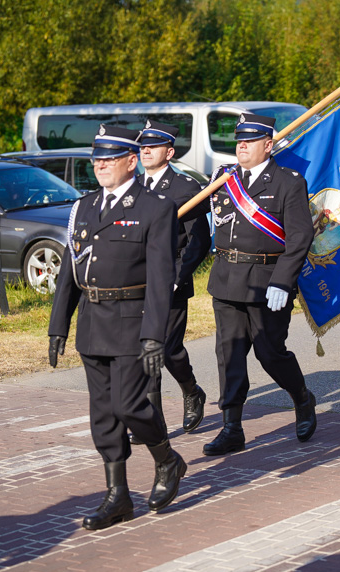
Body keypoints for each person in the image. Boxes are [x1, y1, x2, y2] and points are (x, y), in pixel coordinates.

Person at [48, 125, 186, 529]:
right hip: (93, 323)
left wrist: (154, 335)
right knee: (104, 416)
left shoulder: (154, 208)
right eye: (97, 158)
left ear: (131, 160)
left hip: (132, 323)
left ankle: (167, 459)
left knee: (130, 406)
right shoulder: (84, 207)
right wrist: (58, 326)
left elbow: (162, 278)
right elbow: (70, 272)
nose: (101, 164)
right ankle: (118, 495)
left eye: (110, 158)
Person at [203, 114, 316, 456]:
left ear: (268, 145)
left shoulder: (287, 182)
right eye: (239, 140)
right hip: (225, 279)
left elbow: (300, 236)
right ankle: (232, 427)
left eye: (249, 141)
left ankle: (301, 397)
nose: (241, 146)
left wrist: (283, 280)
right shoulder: (223, 178)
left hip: (266, 284)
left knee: (270, 352)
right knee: (230, 354)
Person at [126, 120, 209, 443]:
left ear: (170, 152)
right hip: (137, 284)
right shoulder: (132, 188)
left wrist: (177, 277)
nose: (145, 150)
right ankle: (153, 422)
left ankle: (192, 390)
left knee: (169, 349)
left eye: (154, 145)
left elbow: (198, 241)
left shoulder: (184, 189)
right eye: (142, 145)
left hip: (171, 281)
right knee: (146, 349)